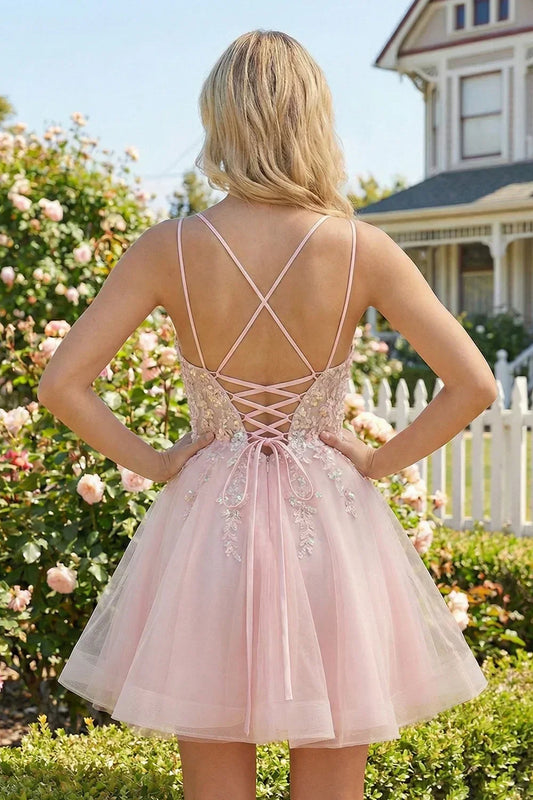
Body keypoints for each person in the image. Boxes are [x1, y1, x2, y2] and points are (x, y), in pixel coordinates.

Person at [38, 29, 497, 800]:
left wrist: (154, 461)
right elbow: (474, 385)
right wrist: (376, 461)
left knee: (213, 773)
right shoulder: (362, 249)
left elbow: (62, 384)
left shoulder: (168, 248)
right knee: (331, 768)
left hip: (208, 532)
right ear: (312, 119)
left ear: (221, 119)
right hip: (331, 528)